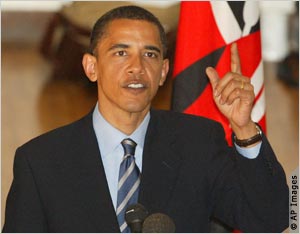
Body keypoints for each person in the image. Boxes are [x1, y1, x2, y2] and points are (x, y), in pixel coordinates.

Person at [3, 5, 289, 233]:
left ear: (163, 72)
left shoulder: (198, 142)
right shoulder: (40, 161)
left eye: (149, 54)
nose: (137, 68)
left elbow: (269, 219)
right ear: (91, 67)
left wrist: (244, 129)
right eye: (120, 53)